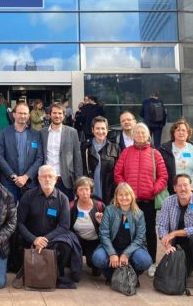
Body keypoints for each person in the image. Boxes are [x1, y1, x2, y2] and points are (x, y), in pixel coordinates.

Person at [113, 122, 167, 274]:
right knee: (126, 230)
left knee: (149, 231)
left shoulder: (155, 153)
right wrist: (125, 192)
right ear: (133, 135)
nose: (140, 135)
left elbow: (163, 177)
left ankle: (151, 262)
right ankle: (128, 258)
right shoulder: (126, 152)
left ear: (148, 135)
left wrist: (152, 190)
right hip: (128, 202)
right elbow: (118, 173)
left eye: (143, 133)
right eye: (137, 133)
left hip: (148, 200)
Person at [17, 165, 79, 288]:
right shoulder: (28, 196)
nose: (47, 179)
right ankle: (28, 271)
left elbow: (64, 226)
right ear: (38, 179)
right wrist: (34, 239)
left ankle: (55, 274)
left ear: (56, 179)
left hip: (53, 239)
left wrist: (44, 239)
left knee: (65, 244)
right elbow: (19, 223)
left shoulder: (63, 199)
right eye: (44, 177)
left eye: (50, 176)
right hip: (30, 237)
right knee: (17, 238)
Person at [156, 174, 193, 293]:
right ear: (174, 188)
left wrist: (175, 233)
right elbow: (162, 226)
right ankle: (189, 266)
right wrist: (167, 245)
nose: (183, 189)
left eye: (185, 185)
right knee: (179, 275)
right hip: (178, 243)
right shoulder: (168, 201)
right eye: (179, 186)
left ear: (191, 186)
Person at [91, 182, 152, 285]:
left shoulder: (139, 214)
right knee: (98, 258)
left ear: (132, 196)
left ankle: (133, 276)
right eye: (121, 195)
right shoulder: (109, 210)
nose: (124, 198)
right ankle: (111, 276)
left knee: (144, 261)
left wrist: (126, 254)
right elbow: (104, 234)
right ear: (116, 196)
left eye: (127, 194)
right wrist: (112, 253)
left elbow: (140, 238)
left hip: (132, 249)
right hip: (112, 247)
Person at [0, 102, 44, 200]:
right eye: (20, 113)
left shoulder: (35, 134)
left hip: (29, 182)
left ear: (29, 115)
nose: (22, 116)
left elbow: (39, 158)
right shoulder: (3, 133)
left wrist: (26, 177)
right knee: (8, 213)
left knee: (29, 214)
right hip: (9, 182)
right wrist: (13, 176)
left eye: (25, 113)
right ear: (14, 114)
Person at [40, 102, 82, 200]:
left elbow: (77, 157)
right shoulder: (42, 133)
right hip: (47, 179)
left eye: (60, 113)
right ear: (50, 115)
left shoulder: (72, 132)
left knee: (66, 210)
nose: (57, 116)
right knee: (48, 210)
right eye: (54, 113)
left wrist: (78, 182)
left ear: (64, 116)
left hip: (66, 180)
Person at [158, 118, 193, 195]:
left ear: (188, 133)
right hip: (173, 189)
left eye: (183, 130)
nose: (181, 132)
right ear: (173, 133)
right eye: (178, 130)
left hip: (192, 188)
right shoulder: (164, 149)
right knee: (175, 207)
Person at [68, 176, 104, 276]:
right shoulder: (71, 206)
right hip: (77, 240)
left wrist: (101, 223)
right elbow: (66, 226)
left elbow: (108, 229)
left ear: (91, 191)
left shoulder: (100, 206)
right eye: (81, 189)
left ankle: (95, 265)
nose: (84, 193)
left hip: (94, 241)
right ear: (76, 192)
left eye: (87, 189)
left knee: (93, 262)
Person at [81, 116, 121, 203]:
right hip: (90, 191)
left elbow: (119, 171)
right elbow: (82, 169)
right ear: (92, 130)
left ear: (107, 130)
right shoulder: (85, 147)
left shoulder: (115, 148)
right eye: (97, 128)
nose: (100, 131)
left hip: (109, 191)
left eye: (103, 128)